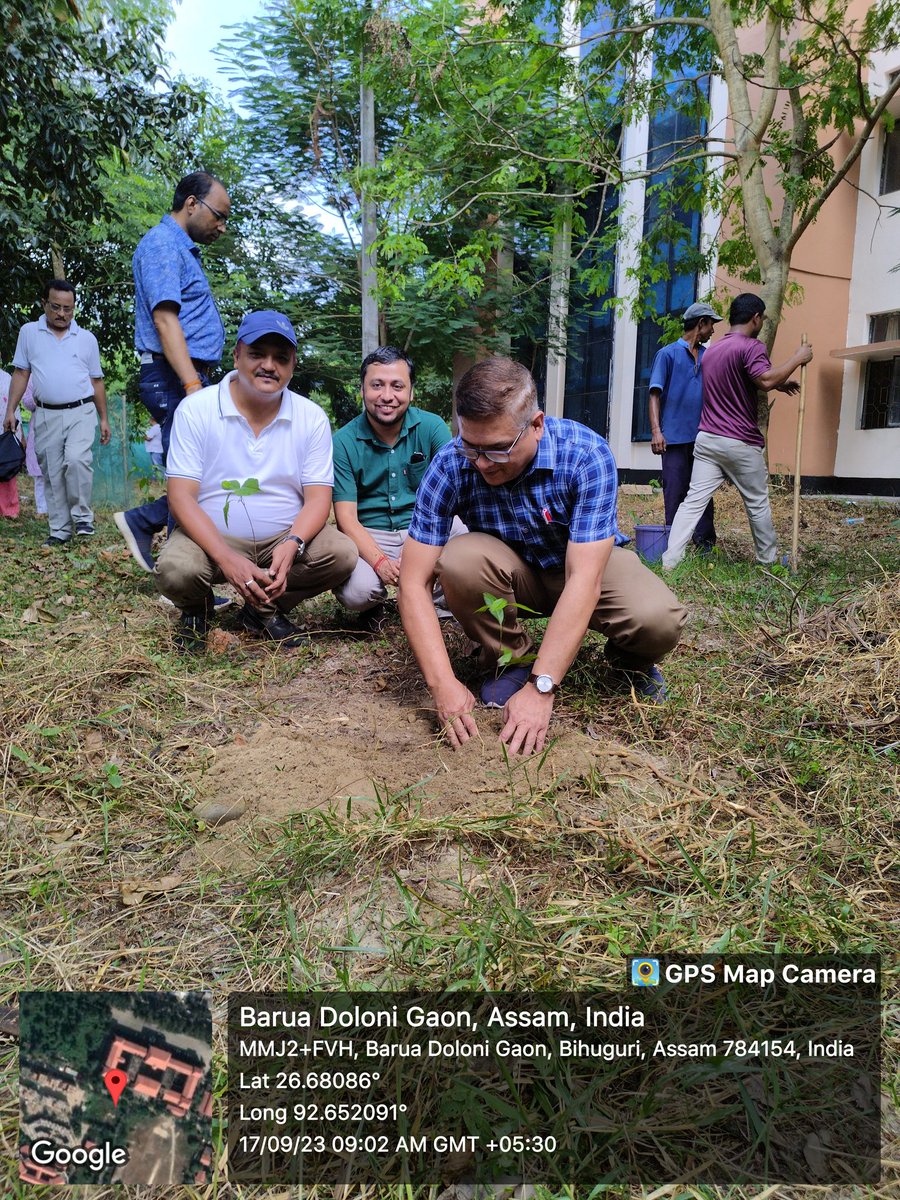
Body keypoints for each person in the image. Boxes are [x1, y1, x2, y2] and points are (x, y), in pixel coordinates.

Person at [398, 356, 687, 756]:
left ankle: (627, 663)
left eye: (498, 450)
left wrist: (543, 687)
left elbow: (584, 578)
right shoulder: (450, 463)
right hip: (508, 574)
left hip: (581, 567)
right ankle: (512, 659)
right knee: (459, 559)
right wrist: (441, 683)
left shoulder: (585, 454)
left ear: (536, 425)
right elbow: (413, 582)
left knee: (658, 620)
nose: (481, 463)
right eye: (471, 447)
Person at [155, 310, 358, 652]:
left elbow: (318, 499)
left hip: (281, 535)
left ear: (293, 364)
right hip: (212, 536)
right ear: (236, 355)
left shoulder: (310, 418)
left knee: (341, 553)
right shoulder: (197, 410)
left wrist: (293, 542)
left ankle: (262, 609)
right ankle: (196, 609)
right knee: (176, 569)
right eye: (257, 354)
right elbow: (180, 497)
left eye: (281, 358)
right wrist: (226, 558)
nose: (269, 365)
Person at [114, 171, 230, 571]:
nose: (222, 226)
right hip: (174, 376)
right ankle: (180, 584)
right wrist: (192, 383)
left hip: (182, 375)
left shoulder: (179, 249)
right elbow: (165, 321)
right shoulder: (162, 244)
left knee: (205, 472)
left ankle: (143, 522)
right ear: (192, 203)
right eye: (218, 215)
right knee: (190, 475)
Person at [661, 293, 813, 570]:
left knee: (693, 501)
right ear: (755, 318)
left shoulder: (714, 351)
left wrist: (780, 383)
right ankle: (768, 564)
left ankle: (670, 561)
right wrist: (797, 358)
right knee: (757, 503)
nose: (762, 323)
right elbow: (764, 379)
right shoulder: (752, 347)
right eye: (762, 319)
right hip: (739, 441)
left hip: (707, 439)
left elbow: (742, 378)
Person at [332, 346, 464, 626]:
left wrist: (416, 547)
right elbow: (345, 518)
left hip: (424, 527)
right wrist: (380, 562)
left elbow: (451, 494)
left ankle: (438, 603)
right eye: (377, 385)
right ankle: (378, 602)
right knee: (359, 593)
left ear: (411, 391)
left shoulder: (432, 427)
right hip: (371, 533)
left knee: (463, 532)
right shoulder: (342, 441)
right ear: (363, 389)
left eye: (397, 386)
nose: (387, 396)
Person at [3, 280, 110, 545]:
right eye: (56, 307)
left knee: (76, 460)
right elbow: (21, 373)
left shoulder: (86, 339)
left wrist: (104, 417)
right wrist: (10, 410)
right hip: (46, 414)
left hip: (81, 411)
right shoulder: (29, 333)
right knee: (51, 471)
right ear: (44, 304)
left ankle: (82, 517)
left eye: (68, 309)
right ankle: (60, 530)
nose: (62, 314)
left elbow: (97, 381)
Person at [648, 301, 722, 551]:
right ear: (700, 323)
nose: (713, 330)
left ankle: (705, 546)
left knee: (703, 493)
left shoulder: (708, 357)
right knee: (675, 493)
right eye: (711, 324)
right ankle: (673, 546)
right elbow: (654, 394)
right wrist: (657, 431)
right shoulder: (667, 354)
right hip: (674, 439)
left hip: (703, 437)